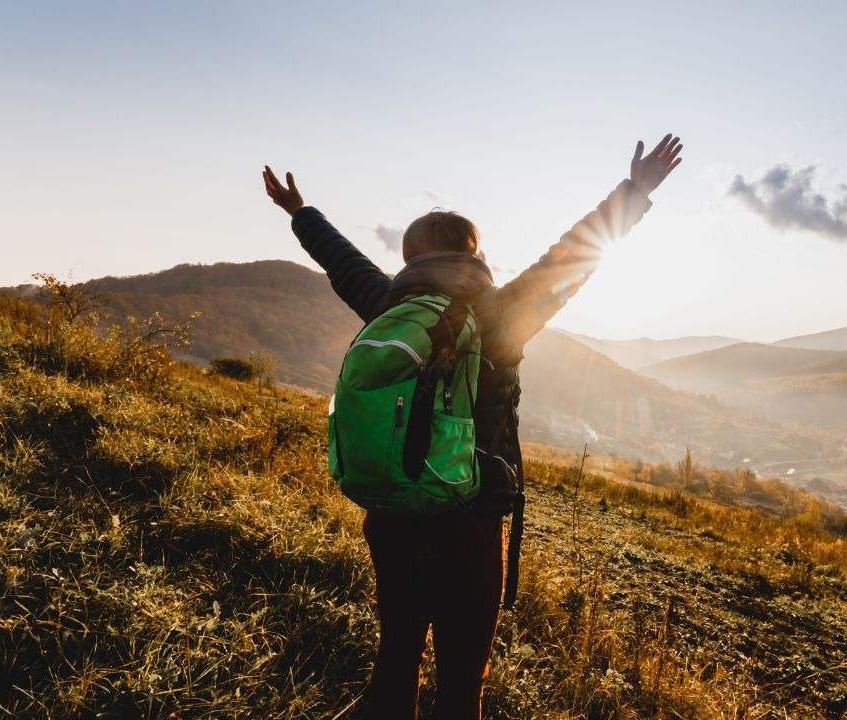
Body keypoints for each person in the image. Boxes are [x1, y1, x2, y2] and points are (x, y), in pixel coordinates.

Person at [261, 133, 682, 719]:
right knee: (461, 679)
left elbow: (342, 261)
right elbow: (573, 256)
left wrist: (300, 212)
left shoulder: (389, 306)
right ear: (474, 256)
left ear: (410, 258)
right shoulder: (500, 315)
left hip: (392, 511)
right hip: (471, 517)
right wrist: (634, 191)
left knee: (397, 652)